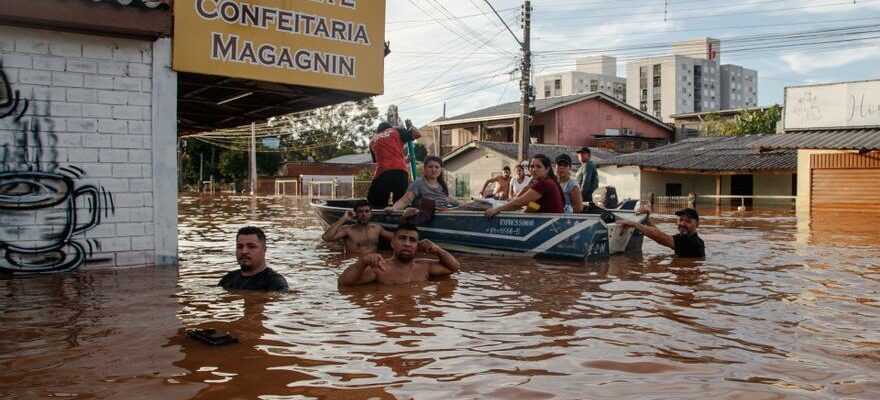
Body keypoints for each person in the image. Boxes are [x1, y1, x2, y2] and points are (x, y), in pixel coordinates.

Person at [338, 223, 461, 286]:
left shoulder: (424, 266)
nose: (407, 244)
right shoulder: (380, 268)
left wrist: (437, 249)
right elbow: (344, 283)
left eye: (412, 240)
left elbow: (454, 267)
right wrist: (362, 262)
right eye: (402, 238)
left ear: (417, 246)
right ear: (392, 243)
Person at [484, 154, 564, 218]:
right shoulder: (544, 181)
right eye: (532, 166)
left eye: (538, 167)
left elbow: (519, 202)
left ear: (547, 169)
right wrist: (522, 212)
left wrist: (497, 209)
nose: (534, 169)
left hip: (550, 224)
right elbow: (535, 206)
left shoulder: (544, 183)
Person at [367, 120, 421, 209]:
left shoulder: (373, 140)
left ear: (378, 131)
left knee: (376, 203)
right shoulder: (395, 131)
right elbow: (417, 134)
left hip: (383, 172)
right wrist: (411, 125)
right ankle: (399, 218)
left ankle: (377, 218)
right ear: (389, 128)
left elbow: (381, 159)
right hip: (400, 172)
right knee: (400, 202)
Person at [384, 155, 461, 218]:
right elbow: (405, 200)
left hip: (444, 216)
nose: (434, 170)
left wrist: (464, 205)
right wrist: (393, 208)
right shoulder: (418, 183)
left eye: (437, 167)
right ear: (425, 168)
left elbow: (449, 198)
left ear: (441, 169)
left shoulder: (442, 184)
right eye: (430, 167)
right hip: (424, 218)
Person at [219, 226, 289, 291]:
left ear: (264, 250)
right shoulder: (229, 278)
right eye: (240, 247)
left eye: (251, 246)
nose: (244, 251)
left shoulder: (275, 283)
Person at [617, 207, 705, 258]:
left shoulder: (693, 242)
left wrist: (634, 224)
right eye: (681, 220)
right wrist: (647, 220)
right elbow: (661, 236)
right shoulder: (684, 238)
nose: (682, 223)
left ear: (697, 224)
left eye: (688, 221)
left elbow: (661, 238)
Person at [322, 200, 394, 254]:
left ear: (371, 213)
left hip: (371, 265)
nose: (364, 214)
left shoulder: (376, 228)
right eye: (360, 211)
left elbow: (395, 237)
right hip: (353, 263)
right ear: (355, 214)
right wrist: (344, 218)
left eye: (367, 211)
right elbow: (326, 238)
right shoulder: (347, 230)